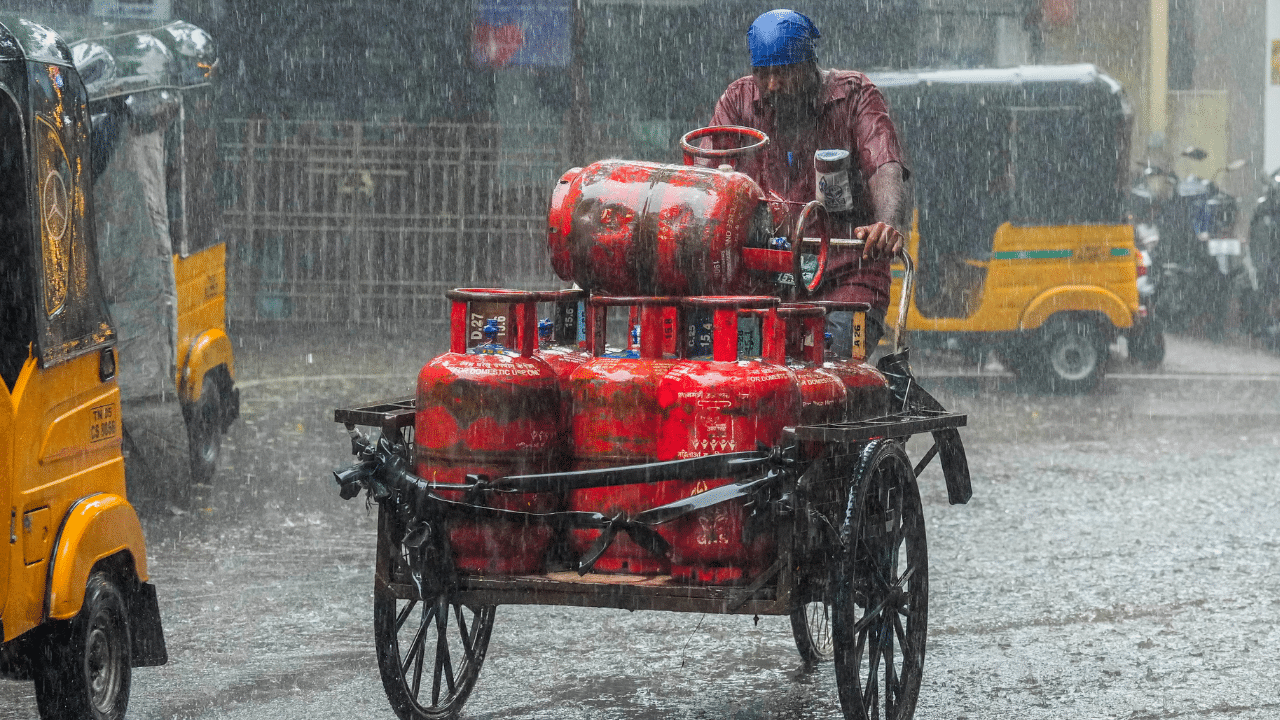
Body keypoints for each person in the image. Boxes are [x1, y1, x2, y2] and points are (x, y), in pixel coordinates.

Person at [704, 8, 910, 356]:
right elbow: (707, 173)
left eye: (783, 73)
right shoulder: (738, 102)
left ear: (809, 65)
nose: (771, 85)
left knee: (830, 381)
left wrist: (886, 224)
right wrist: (716, 186)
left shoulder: (855, 96)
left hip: (847, 279)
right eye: (762, 74)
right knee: (734, 374)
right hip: (766, 283)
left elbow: (884, 163)